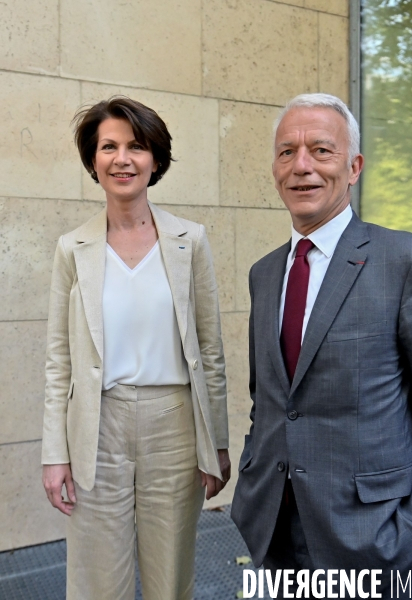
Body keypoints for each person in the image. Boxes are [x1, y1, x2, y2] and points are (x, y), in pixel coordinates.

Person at [231, 93, 412, 599]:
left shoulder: (408, 262)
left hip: (374, 539)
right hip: (274, 527)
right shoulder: (265, 273)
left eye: (321, 150)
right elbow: (270, 399)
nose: (302, 166)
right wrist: (253, 483)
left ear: (354, 166)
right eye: (286, 152)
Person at [41, 96, 230, 600]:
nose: (122, 158)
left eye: (136, 146)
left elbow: (210, 352)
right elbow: (60, 362)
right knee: (98, 581)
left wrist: (217, 442)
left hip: (174, 426)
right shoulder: (72, 249)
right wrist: (54, 454)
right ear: (93, 160)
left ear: (155, 160)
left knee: (170, 578)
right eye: (109, 146)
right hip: (96, 430)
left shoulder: (191, 240)